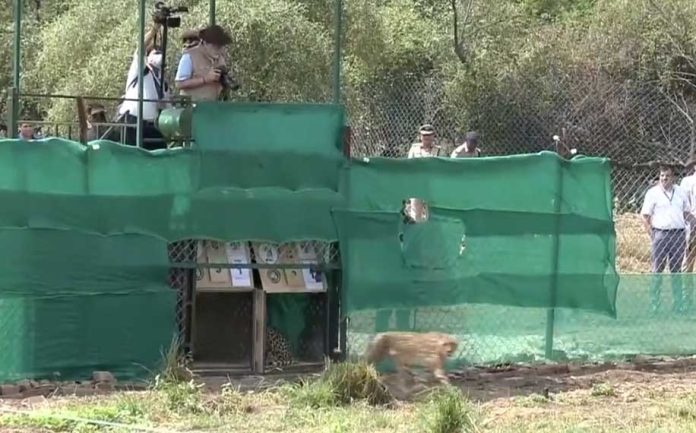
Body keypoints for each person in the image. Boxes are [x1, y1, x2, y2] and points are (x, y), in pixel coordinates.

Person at [641, 165, 696, 314]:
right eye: (662, 176)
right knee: (657, 270)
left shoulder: (681, 192)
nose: (664, 179)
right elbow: (645, 216)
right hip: (660, 235)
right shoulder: (652, 193)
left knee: (676, 271)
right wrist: (652, 235)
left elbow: (686, 213)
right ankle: (655, 305)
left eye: (667, 176)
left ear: (673, 178)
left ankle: (678, 305)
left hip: (678, 235)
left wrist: (693, 221)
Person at [117, 24, 171, 150]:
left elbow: (168, 108)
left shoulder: (163, 83)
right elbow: (140, 48)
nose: (159, 56)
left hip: (153, 126)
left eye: (160, 53)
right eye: (155, 53)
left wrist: (165, 109)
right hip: (132, 122)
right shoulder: (140, 69)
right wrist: (154, 30)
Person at [175, 24, 232, 102]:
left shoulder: (219, 58)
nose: (219, 50)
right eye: (216, 47)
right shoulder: (189, 56)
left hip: (213, 106)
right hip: (192, 108)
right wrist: (205, 79)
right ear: (205, 43)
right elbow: (179, 84)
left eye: (221, 47)